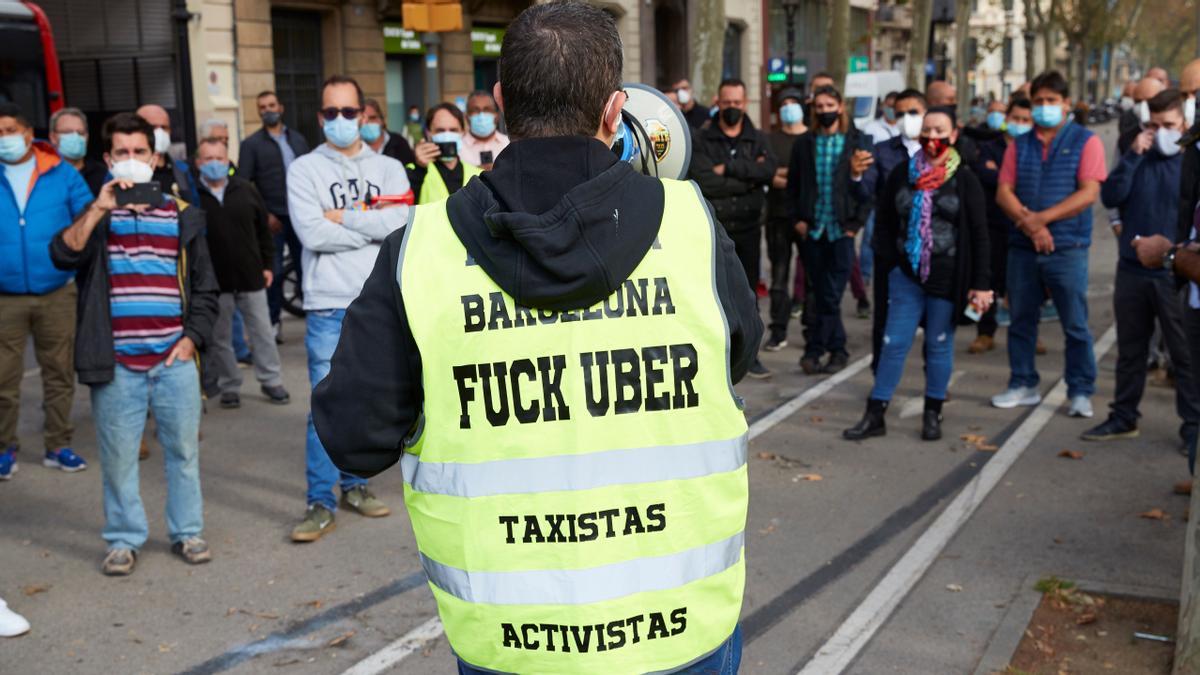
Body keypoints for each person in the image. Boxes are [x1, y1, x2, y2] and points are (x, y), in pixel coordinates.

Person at [313, 4, 760, 671]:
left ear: (500, 103)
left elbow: (352, 435)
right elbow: (740, 354)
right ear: (614, 111)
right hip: (678, 632)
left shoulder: (422, 252)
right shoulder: (691, 227)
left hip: (514, 642)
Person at [50, 112, 219, 575]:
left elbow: (205, 288)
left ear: (156, 157)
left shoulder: (182, 216)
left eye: (138, 152)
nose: (130, 160)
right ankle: (123, 538)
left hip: (173, 359)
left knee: (184, 453)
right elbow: (63, 254)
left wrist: (191, 340)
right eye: (120, 153)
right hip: (117, 363)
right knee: (119, 457)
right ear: (107, 159)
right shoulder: (97, 216)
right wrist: (100, 207)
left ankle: (188, 531)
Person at [285, 74, 410, 542]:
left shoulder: (389, 168)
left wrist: (347, 219)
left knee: (367, 402)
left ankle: (356, 486)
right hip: (327, 304)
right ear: (321, 118)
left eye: (349, 112)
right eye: (331, 113)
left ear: (364, 115)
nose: (340, 120)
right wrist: (371, 227)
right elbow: (312, 233)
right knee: (325, 406)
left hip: (376, 302)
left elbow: (402, 221)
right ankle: (319, 500)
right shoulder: (304, 170)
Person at [845, 106, 991, 442]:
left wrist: (981, 284)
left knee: (940, 345)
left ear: (953, 136)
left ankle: (932, 412)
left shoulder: (965, 180)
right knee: (893, 343)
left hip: (947, 276)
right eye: (927, 130)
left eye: (940, 131)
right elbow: (882, 221)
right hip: (905, 276)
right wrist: (891, 262)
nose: (932, 138)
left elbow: (980, 235)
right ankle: (875, 413)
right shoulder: (901, 173)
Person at [1082, 90, 1198, 455]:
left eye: (1169, 126)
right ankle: (1123, 415)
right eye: (1154, 125)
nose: (1161, 132)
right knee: (1131, 350)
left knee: (1183, 354)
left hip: (1173, 272)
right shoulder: (1138, 156)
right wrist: (1133, 155)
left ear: (1184, 125)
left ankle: (1192, 427)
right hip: (1133, 270)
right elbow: (1112, 196)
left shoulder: (1189, 161)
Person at [992, 70, 1107, 417]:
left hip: (1067, 248)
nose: (1044, 108)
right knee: (1021, 320)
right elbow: (1003, 192)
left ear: (1066, 104)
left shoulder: (1087, 142)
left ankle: (1080, 389)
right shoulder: (1019, 144)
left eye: (1051, 101)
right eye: (1039, 101)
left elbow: (1088, 192)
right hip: (1023, 248)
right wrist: (1030, 225)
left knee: (1075, 323)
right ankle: (1022, 383)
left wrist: (1043, 219)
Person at [0, 102, 93, 480]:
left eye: (8, 130)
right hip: (5, 296)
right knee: (4, 378)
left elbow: (87, 215)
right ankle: (5, 449)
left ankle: (58, 445)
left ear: (27, 132)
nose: (3, 139)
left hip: (56, 289)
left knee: (59, 373)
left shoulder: (60, 172)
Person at [690, 77, 776, 378]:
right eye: (726, 103)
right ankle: (719, 354)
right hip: (716, 229)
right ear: (718, 102)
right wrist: (746, 179)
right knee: (715, 293)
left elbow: (768, 171)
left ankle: (749, 355)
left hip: (750, 228)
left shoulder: (758, 138)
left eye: (737, 103)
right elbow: (703, 179)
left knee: (749, 292)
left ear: (746, 102)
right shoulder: (701, 138)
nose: (732, 108)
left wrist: (728, 168)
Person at [195, 138, 291, 409]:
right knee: (220, 337)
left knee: (262, 332)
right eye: (208, 158)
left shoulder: (246, 190)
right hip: (216, 281)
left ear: (228, 161)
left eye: (220, 158)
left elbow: (263, 232)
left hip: (251, 276)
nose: (215, 163)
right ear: (198, 162)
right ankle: (229, 386)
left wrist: (268, 265)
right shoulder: (193, 196)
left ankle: (271, 380)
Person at [788, 84, 873, 375]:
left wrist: (855, 225)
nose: (824, 111)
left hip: (841, 231)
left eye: (829, 106)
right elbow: (794, 185)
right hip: (812, 229)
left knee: (830, 295)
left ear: (840, 107)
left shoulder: (857, 141)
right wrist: (797, 219)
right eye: (819, 107)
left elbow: (868, 189)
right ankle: (836, 349)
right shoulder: (804, 143)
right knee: (821, 293)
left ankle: (817, 350)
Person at [857, 89, 927, 372]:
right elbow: (865, 191)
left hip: (929, 248)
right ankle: (880, 372)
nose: (906, 119)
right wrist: (856, 174)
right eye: (900, 114)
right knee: (884, 315)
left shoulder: (940, 153)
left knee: (933, 319)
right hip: (890, 247)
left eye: (913, 112)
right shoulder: (882, 151)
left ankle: (933, 375)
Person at [239, 90, 311, 342]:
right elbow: (244, 184)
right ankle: (272, 323)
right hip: (273, 219)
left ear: (281, 108)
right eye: (262, 107)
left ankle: (312, 320)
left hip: (302, 216)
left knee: (307, 270)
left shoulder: (298, 140)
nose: (268, 110)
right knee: (275, 272)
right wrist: (265, 214)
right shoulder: (251, 145)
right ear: (258, 111)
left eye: (272, 105)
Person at [969, 96, 1033, 354]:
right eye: (1014, 118)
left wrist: (1003, 178)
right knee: (987, 279)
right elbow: (984, 174)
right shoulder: (988, 146)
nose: (1018, 124)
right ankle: (984, 332)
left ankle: (1031, 333)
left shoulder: (1033, 148)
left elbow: (1022, 181)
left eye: (1024, 120)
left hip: (1023, 224)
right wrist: (1007, 179)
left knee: (1025, 285)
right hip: (992, 225)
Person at [764, 89, 808, 352]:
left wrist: (784, 177)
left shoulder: (810, 139)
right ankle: (778, 330)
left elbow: (808, 176)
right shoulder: (771, 140)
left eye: (794, 103)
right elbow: (767, 173)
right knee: (779, 276)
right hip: (777, 216)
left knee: (811, 277)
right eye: (784, 104)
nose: (789, 108)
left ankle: (811, 331)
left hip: (804, 216)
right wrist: (793, 177)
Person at [411, 103, 483, 204]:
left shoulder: (478, 174)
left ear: (463, 132)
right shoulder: (414, 171)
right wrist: (418, 169)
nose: (447, 135)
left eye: (453, 130)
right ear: (428, 133)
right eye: (440, 130)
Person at [134, 104, 200, 204]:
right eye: (153, 127)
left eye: (164, 127)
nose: (160, 132)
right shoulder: (126, 170)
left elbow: (195, 210)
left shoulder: (182, 170)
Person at [49, 107, 108, 195]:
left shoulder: (103, 174)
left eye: (80, 133)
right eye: (68, 132)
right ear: (53, 137)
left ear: (87, 137)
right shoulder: (44, 174)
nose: (75, 137)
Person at [360, 98, 417, 168]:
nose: (367, 122)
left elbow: (411, 172)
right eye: (363, 119)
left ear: (382, 120)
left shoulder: (399, 143)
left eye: (372, 118)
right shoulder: (354, 147)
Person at [461, 90, 510, 170]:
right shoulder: (458, 148)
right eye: (475, 110)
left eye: (487, 109)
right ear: (467, 116)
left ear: (497, 115)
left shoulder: (508, 144)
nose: (481, 115)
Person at [1118, 77, 1166, 156]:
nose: (1143, 106)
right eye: (1138, 101)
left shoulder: (1174, 132)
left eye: (1149, 101)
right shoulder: (1126, 138)